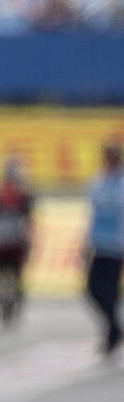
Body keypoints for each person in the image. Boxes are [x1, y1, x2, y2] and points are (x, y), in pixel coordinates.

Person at [0, 155, 36, 327]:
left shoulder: (22, 194)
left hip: (14, 240)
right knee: (0, 275)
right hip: (4, 241)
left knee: (13, 275)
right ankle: (2, 303)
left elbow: (29, 217)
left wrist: (28, 238)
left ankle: (12, 304)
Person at [84, 141, 124, 358]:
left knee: (109, 292)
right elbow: (92, 214)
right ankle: (114, 329)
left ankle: (112, 334)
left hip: (116, 245)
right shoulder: (99, 181)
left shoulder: (121, 184)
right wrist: (86, 242)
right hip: (99, 244)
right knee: (92, 290)